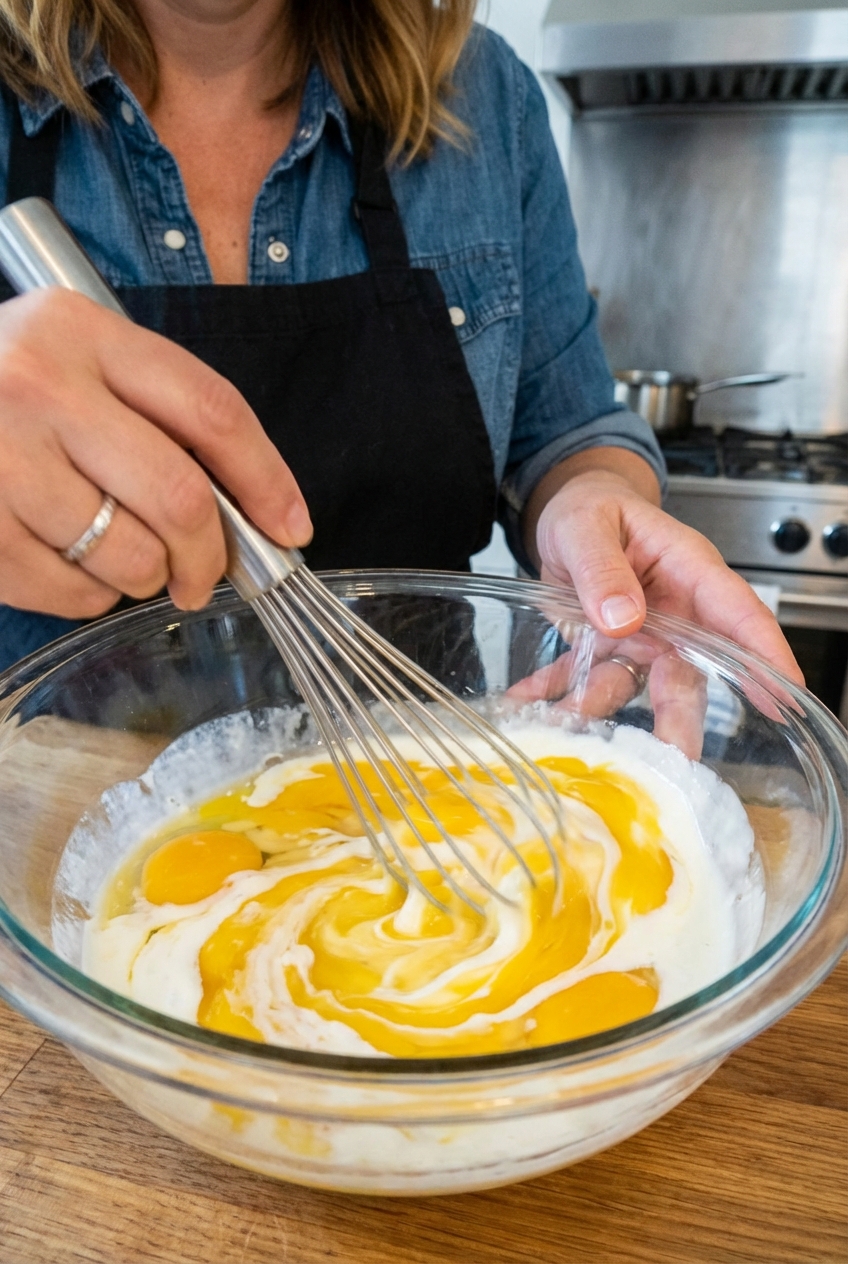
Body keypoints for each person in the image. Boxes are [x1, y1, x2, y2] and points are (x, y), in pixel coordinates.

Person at [0, 0, 800, 689]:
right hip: (52, 804)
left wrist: (592, 503)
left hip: (428, 797)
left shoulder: (484, 99)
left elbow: (565, 432)